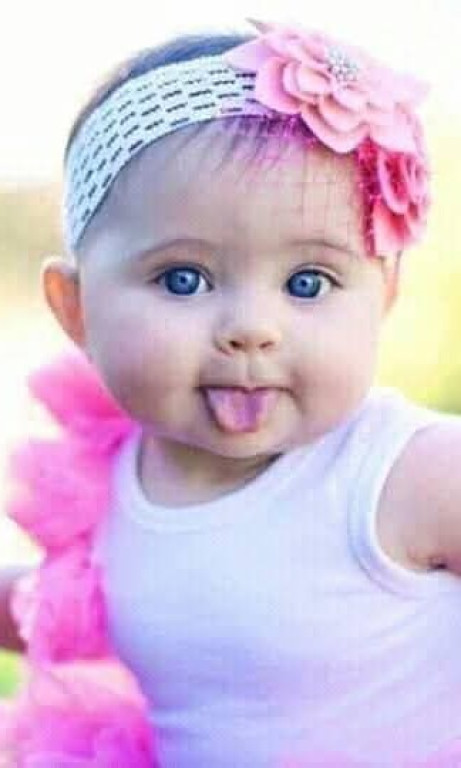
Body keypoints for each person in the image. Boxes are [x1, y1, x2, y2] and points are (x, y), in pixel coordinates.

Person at [1, 17, 461, 767]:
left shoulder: (410, 474)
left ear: (382, 296)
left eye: (307, 283)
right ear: (75, 308)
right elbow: (129, 618)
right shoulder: (112, 481)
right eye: (184, 279)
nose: (252, 329)